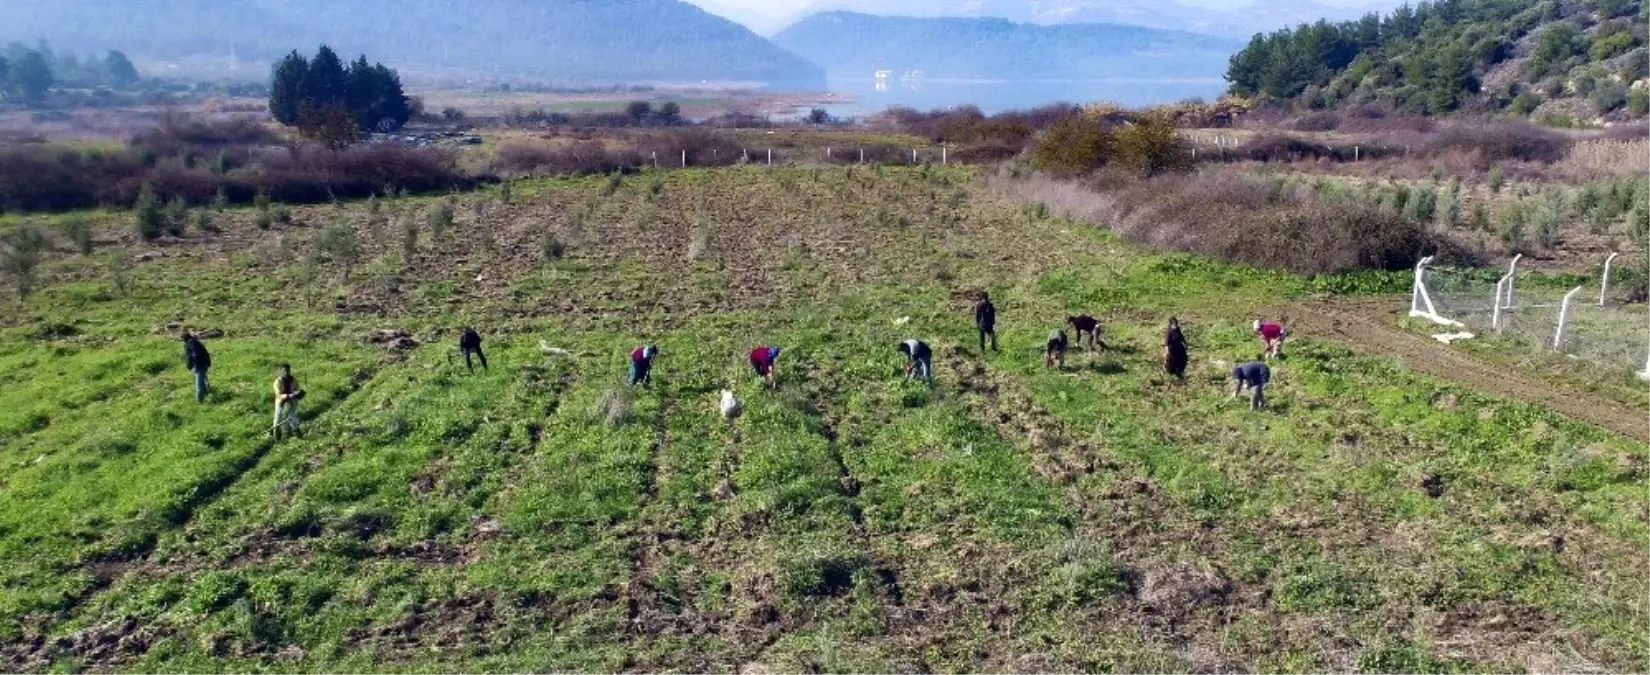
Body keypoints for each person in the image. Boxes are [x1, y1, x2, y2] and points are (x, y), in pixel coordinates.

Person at [272, 364, 305, 440]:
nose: (285, 372)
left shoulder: (293, 380)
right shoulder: (277, 381)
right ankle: (276, 438)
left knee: (292, 418)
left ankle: (299, 436)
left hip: (291, 402)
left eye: (286, 370)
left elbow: (297, 388)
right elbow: (278, 394)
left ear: (289, 371)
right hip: (280, 402)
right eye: (283, 370)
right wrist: (289, 395)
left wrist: (299, 393)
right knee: (277, 420)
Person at [182, 332, 211, 403]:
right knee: (202, 382)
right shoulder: (195, 342)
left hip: (199, 365)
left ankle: (199, 401)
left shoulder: (191, 343)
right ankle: (207, 396)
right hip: (203, 364)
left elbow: (194, 354)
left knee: (199, 384)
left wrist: (194, 364)